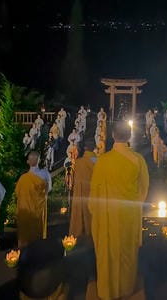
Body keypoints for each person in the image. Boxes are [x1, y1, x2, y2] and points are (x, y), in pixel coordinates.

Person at [89, 124, 150, 299]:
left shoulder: (103, 161)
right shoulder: (138, 160)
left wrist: (95, 211)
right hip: (128, 216)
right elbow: (143, 189)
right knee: (127, 252)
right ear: (129, 136)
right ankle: (126, 288)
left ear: (112, 136)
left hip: (107, 216)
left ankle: (107, 290)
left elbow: (94, 193)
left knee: (108, 253)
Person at [15, 150, 52, 248]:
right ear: (39, 160)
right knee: (37, 231)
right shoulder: (45, 174)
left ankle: (25, 250)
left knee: (27, 232)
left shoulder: (23, 178)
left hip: (28, 210)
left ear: (28, 162)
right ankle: (37, 250)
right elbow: (48, 189)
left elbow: (17, 194)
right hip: (37, 209)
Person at [69, 138, 97, 240]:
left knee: (81, 212)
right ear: (94, 147)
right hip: (93, 192)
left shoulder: (78, 162)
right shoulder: (97, 160)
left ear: (84, 148)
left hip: (81, 192)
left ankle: (79, 229)